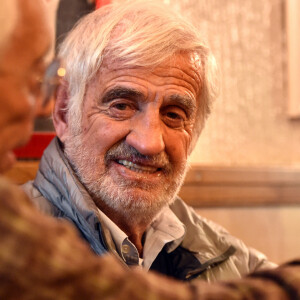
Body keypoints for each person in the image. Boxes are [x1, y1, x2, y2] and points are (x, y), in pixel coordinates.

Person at [1, 0, 300, 299]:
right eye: (121, 105)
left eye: (173, 115)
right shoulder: (15, 234)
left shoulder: (233, 258)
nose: (149, 142)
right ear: (64, 112)